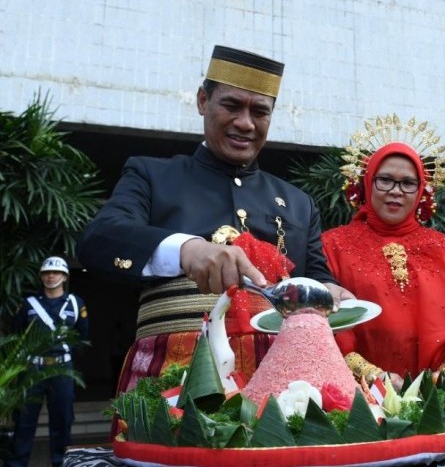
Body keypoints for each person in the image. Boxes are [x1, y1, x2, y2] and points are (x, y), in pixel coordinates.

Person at [77, 45, 352, 393]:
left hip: (283, 381)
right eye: (231, 105)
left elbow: (316, 278)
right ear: (202, 100)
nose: (245, 123)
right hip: (173, 375)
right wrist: (186, 250)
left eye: (260, 111)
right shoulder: (151, 175)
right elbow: (98, 239)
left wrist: (329, 292)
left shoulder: (299, 203)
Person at [321, 119, 445, 389]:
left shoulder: (444, 248)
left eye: (408, 183)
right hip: (360, 394)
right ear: (367, 182)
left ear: (421, 190)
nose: (396, 191)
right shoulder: (332, 245)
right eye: (385, 180)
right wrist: (371, 375)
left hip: (438, 392)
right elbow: (325, 318)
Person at [6, 256, 89, 467]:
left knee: (62, 418)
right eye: (46, 273)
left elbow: (83, 337)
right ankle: (17, 463)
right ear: (42, 276)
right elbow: (15, 333)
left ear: (64, 276)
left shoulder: (75, 303)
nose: (51, 276)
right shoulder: (28, 304)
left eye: (56, 272)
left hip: (62, 368)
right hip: (33, 367)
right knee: (24, 420)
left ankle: (60, 462)